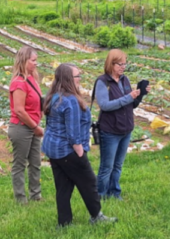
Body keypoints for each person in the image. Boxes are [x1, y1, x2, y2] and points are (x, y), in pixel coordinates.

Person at [42, 63, 117, 227]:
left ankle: (64, 223)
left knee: (63, 187)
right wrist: (80, 152)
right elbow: (73, 133)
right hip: (68, 151)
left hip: (53, 149)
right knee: (89, 182)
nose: (80, 79)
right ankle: (97, 217)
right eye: (77, 76)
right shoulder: (71, 101)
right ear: (69, 79)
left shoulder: (54, 96)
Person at [94, 49, 146, 201]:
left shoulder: (125, 80)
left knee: (118, 165)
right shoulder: (102, 82)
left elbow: (132, 105)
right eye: (120, 64)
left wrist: (140, 94)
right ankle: (100, 196)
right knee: (107, 167)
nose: (123, 67)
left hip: (126, 129)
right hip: (110, 130)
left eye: (125, 64)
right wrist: (128, 97)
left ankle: (114, 192)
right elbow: (105, 105)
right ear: (111, 64)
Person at [8, 46, 44, 203]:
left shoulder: (31, 79)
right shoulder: (19, 83)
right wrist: (35, 127)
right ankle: (21, 198)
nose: (36, 64)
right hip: (22, 128)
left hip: (32, 126)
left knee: (35, 162)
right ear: (24, 61)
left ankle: (36, 195)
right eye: (33, 61)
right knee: (20, 164)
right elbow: (20, 111)